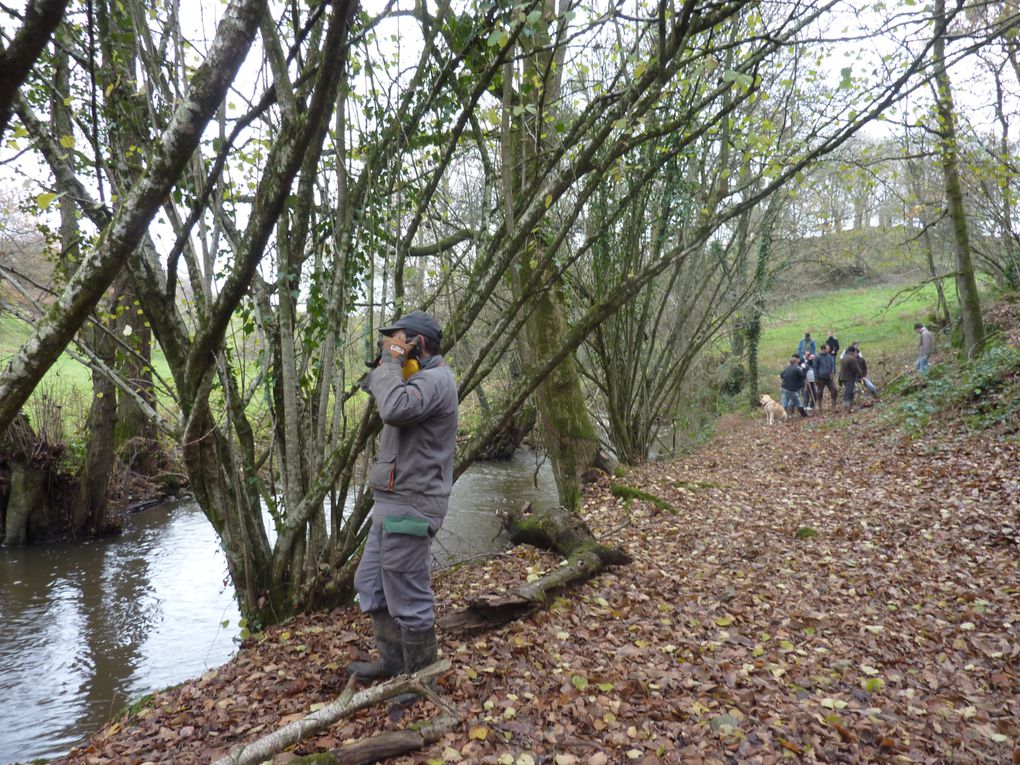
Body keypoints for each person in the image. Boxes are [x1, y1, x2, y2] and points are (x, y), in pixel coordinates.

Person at [349, 311, 459, 698]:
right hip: (392, 501)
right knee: (371, 583)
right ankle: (394, 663)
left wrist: (392, 366)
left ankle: (421, 679)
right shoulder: (416, 380)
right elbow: (387, 397)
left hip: (412, 505)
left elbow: (394, 408)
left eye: (396, 342)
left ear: (419, 344)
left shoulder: (436, 381)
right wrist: (386, 369)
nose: (388, 349)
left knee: (407, 594)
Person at [839, 345, 863, 412]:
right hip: (850, 378)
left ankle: (850, 408)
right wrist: (860, 377)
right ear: (854, 351)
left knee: (851, 392)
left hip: (843, 377)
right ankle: (845, 409)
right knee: (848, 393)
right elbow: (856, 369)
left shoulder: (844, 357)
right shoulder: (852, 358)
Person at [815, 344, 838, 411]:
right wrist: (816, 377)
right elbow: (815, 368)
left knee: (834, 390)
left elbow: (832, 366)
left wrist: (832, 372)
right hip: (820, 378)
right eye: (828, 348)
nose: (829, 350)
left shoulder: (830, 356)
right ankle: (820, 406)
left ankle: (833, 407)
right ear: (823, 349)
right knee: (819, 392)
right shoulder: (818, 357)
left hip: (829, 378)